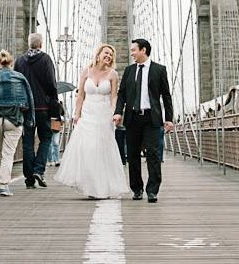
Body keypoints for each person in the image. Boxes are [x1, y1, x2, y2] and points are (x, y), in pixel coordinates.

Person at [55, 44, 130, 198]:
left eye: (111, 55)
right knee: (88, 149)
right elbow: (81, 95)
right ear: (98, 54)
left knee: (102, 150)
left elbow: (114, 96)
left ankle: (103, 187)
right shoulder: (86, 71)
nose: (108, 56)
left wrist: (114, 113)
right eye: (106, 53)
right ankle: (91, 186)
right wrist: (77, 114)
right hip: (88, 115)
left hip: (104, 115)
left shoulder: (113, 74)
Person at [113, 38, 174, 203]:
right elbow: (122, 95)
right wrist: (118, 112)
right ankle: (137, 189)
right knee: (132, 155)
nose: (131, 53)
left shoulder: (159, 70)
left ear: (144, 50)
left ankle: (152, 190)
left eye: (134, 50)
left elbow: (166, 95)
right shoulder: (129, 70)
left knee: (153, 154)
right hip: (132, 118)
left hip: (151, 118)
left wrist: (169, 118)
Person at [0, 49, 34, 196]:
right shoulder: (20, 78)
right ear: (11, 62)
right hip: (14, 120)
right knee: (8, 154)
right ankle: (4, 184)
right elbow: (27, 103)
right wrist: (30, 120)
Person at [14, 32, 59, 189]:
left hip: (26, 108)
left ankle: (29, 179)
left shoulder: (19, 61)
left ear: (29, 44)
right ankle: (39, 170)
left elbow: (17, 85)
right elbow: (52, 84)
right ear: (41, 44)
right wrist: (53, 102)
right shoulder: (46, 59)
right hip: (43, 107)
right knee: (46, 138)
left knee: (27, 142)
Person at [47, 101, 65, 166]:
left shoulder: (47, 103)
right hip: (56, 123)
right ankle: (56, 160)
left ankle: (50, 161)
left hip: (49, 123)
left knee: (49, 143)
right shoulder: (59, 104)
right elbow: (63, 113)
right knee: (56, 143)